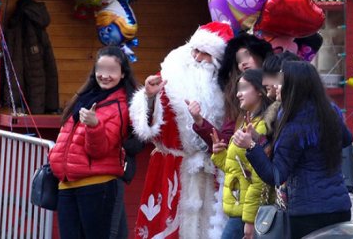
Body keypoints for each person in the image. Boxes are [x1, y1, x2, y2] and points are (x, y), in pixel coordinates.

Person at [129, 22, 233, 239]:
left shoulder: (229, 87)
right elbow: (146, 125)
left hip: (212, 170)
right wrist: (149, 97)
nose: (196, 57)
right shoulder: (170, 74)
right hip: (171, 168)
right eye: (195, 50)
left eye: (205, 54)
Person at [233, 61, 352, 239]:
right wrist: (260, 140)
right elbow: (346, 139)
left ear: (293, 86)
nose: (276, 86)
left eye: (280, 81)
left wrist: (250, 146)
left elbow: (275, 175)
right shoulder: (330, 111)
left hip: (308, 213)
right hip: (340, 207)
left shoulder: (294, 125)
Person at [48, 46, 138, 239]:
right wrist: (55, 157)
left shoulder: (122, 105)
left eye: (112, 71)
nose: (105, 75)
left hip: (98, 186)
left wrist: (94, 125)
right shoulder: (83, 99)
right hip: (67, 185)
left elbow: (99, 150)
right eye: (101, 70)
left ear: (123, 74)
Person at [210, 70, 272, 239]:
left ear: (259, 90)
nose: (238, 94)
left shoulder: (261, 127)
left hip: (247, 212)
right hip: (239, 209)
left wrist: (250, 221)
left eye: (244, 88)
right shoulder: (247, 123)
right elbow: (236, 168)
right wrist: (219, 154)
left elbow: (260, 177)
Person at [190, 33, 272, 151]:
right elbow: (227, 141)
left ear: (259, 54)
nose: (243, 63)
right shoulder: (235, 95)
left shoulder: (279, 82)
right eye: (238, 60)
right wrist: (200, 121)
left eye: (247, 55)